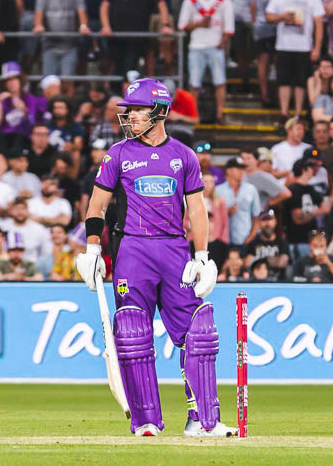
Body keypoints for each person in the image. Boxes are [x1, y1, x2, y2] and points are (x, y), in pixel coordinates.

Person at [76, 77, 237, 437]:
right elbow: (97, 206)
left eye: (138, 109)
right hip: (133, 250)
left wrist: (203, 256)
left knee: (199, 333)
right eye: (129, 110)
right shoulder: (117, 154)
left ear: (160, 111)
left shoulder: (183, 155)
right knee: (133, 333)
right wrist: (92, 249)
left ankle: (203, 421)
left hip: (175, 250)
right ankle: (146, 421)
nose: (130, 116)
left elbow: (197, 211)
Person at [264, 0, 325, 120]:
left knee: (300, 81)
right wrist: (282, 17)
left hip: (303, 45)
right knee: (283, 80)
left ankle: (298, 113)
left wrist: (317, 47)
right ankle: (284, 113)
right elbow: (268, 16)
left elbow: (319, 22)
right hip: (284, 45)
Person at [178, 0, 233, 123]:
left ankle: (220, 115)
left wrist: (222, 43)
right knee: (194, 83)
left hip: (216, 46)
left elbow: (229, 27)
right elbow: (182, 25)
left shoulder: (224, 0)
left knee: (220, 81)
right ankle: (193, 115)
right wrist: (199, 24)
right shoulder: (190, 0)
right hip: (196, 46)